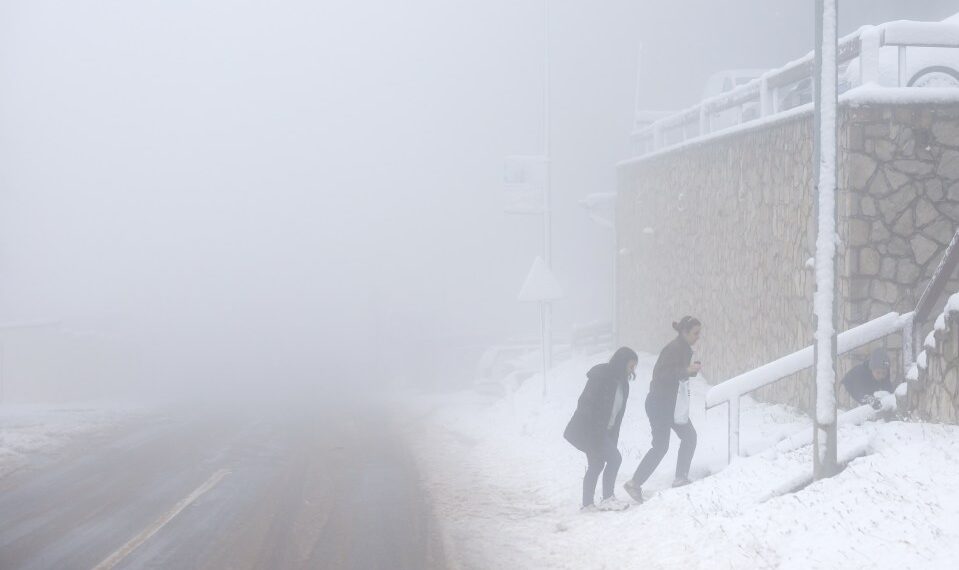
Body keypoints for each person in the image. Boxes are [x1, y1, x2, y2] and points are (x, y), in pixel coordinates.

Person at [624, 316, 701, 504]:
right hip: (659, 404)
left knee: (689, 436)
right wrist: (686, 370)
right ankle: (634, 483)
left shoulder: (682, 348)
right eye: (695, 333)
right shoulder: (673, 349)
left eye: (699, 333)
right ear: (684, 332)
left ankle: (680, 477)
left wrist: (691, 370)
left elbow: (678, 374)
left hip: (671, 405)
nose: (698, 337)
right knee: (661, 446)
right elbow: (662, 375)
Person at [563, 347, 639, 511]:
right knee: (615, 459)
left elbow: (617, 415)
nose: (632, 371)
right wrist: (595, 432)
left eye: (634, 367)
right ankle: (608, 498)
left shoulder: (623, 384)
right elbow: (585, 403)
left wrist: (611, 438)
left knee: (596, 464)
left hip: (605, 431)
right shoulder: (601, 377)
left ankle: (588, 504)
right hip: (590, 430)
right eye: (631, 366)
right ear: (621, 363)